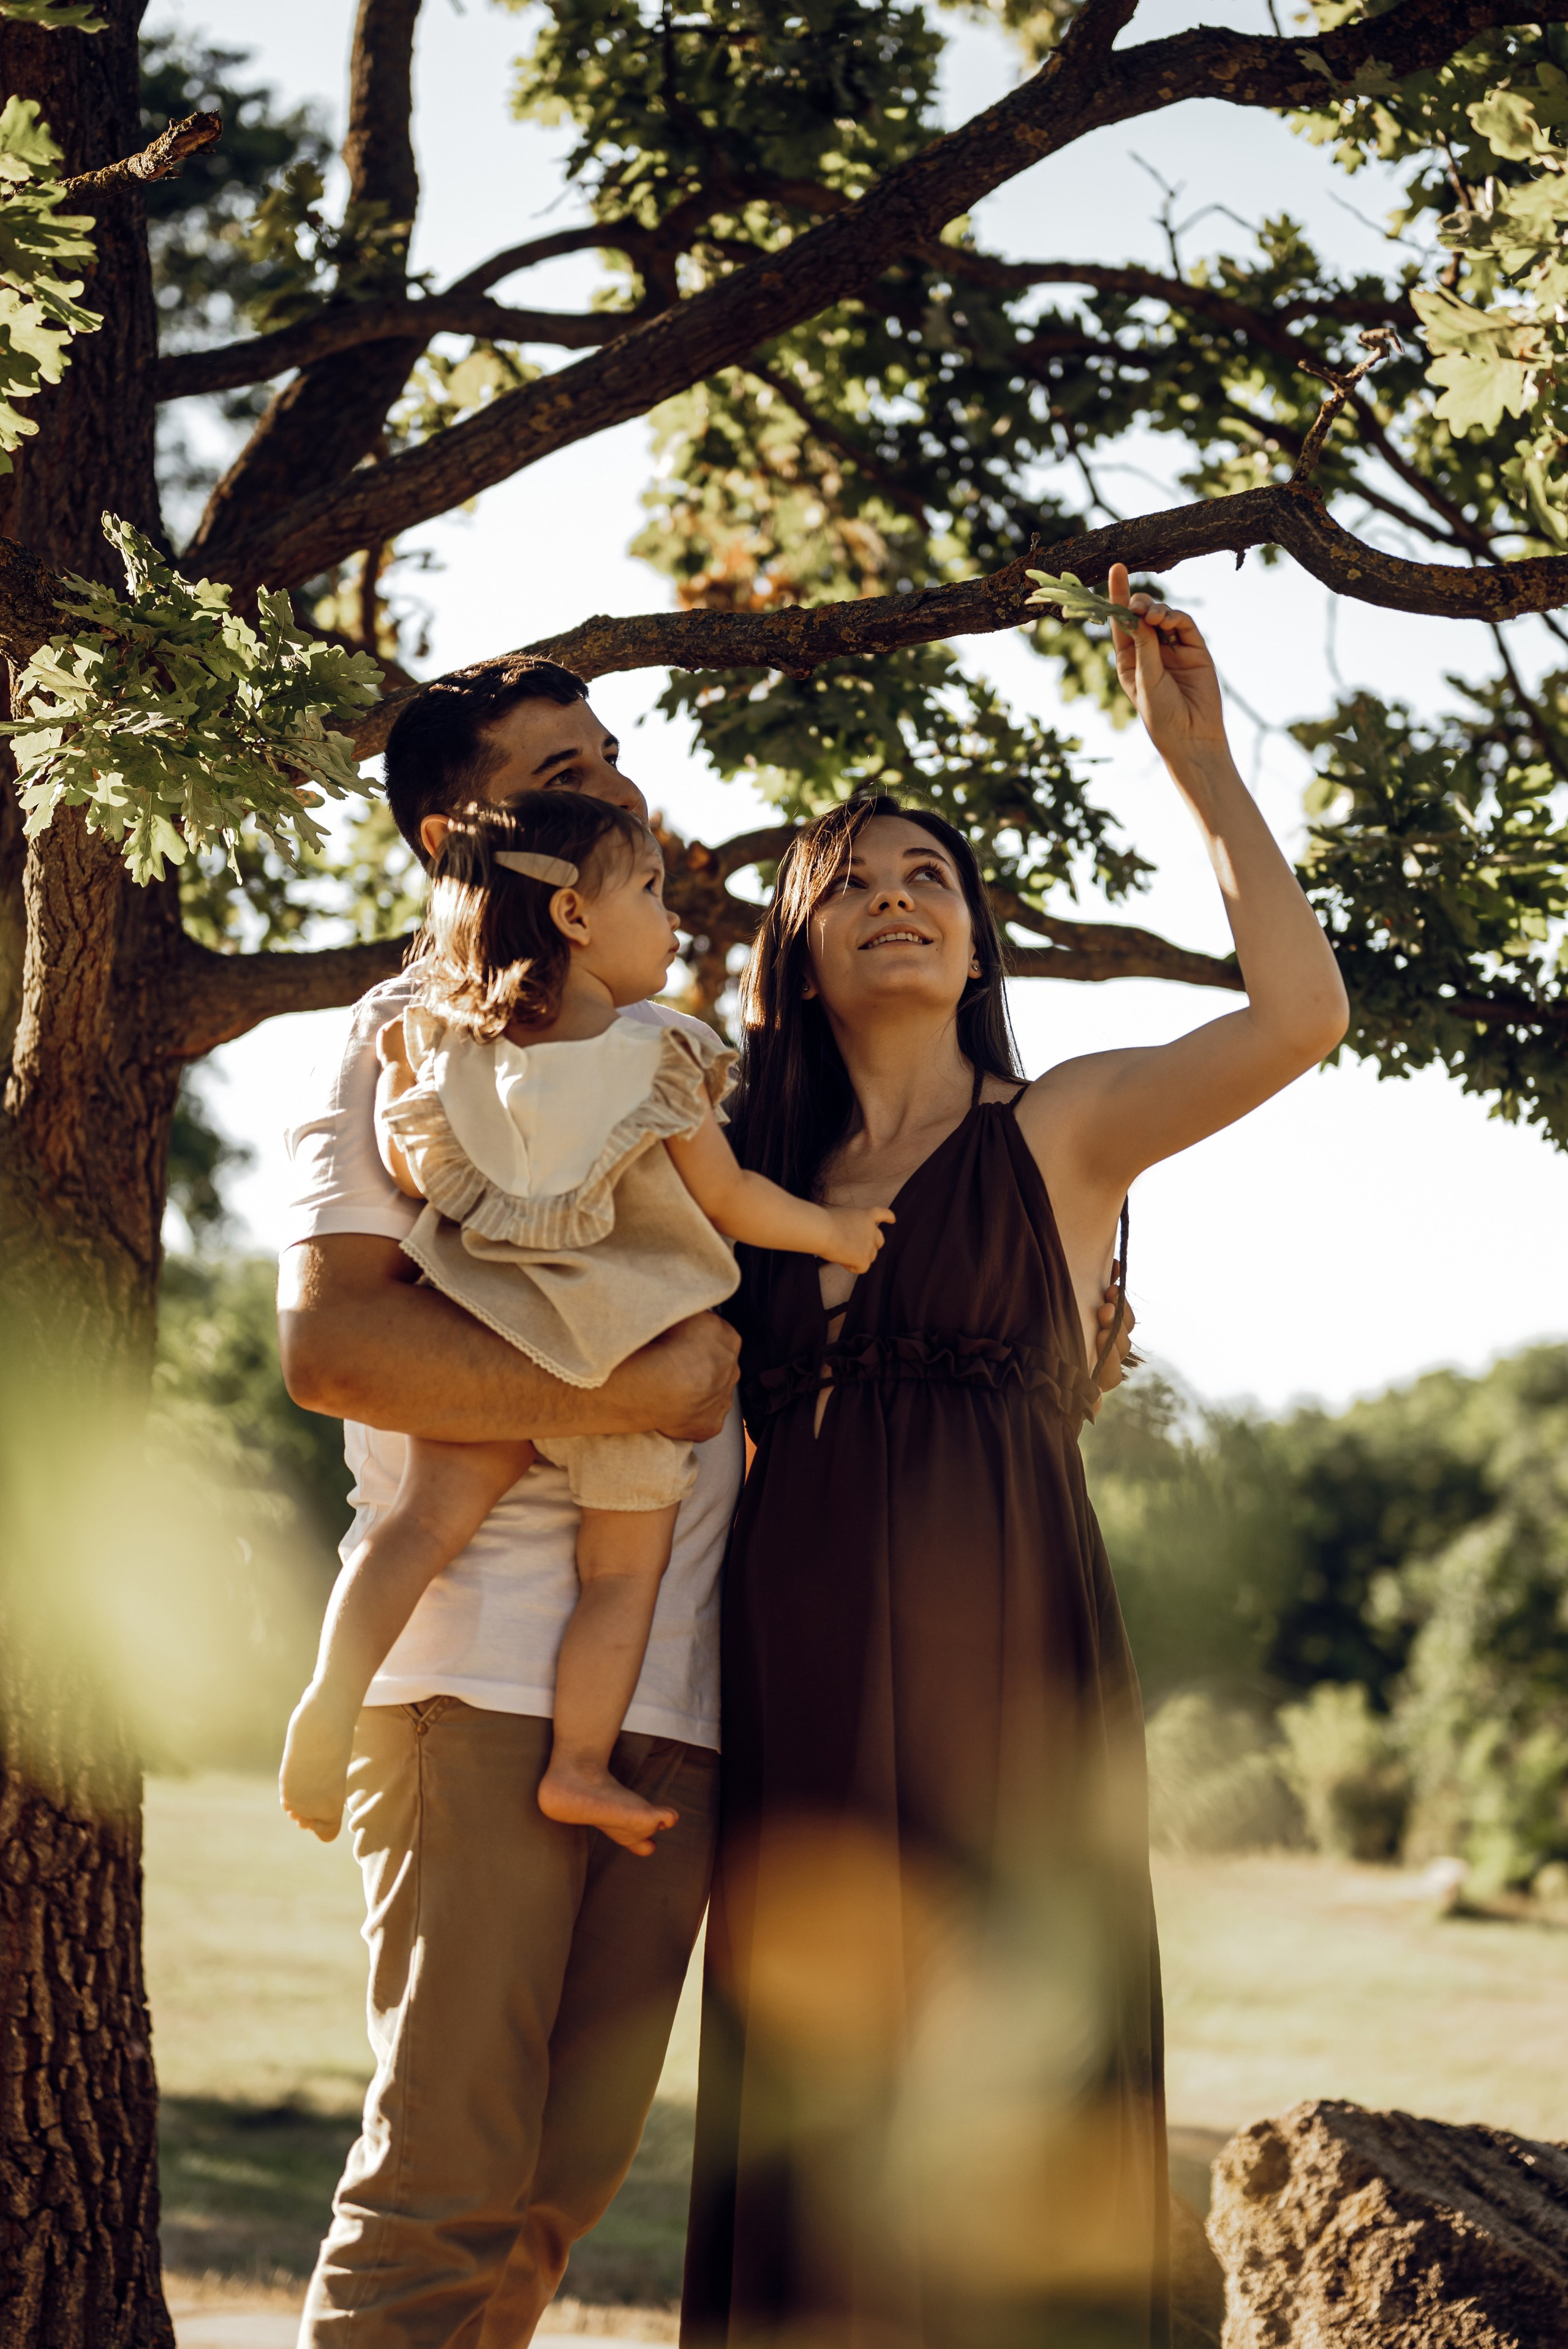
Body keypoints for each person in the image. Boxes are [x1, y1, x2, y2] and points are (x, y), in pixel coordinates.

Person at [279, 653, 1132, 2348]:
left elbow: (754, 1254)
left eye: (617, 762)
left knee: (549, 2200)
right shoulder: (406, 1040)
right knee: (441, 2185)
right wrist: (639, 1389)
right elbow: (332, 1345)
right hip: (484, 1683)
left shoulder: (674, 1055)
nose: (625, 793)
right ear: (474, 836)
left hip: (678, 1695)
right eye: (569, 779)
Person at [681, 569, 1349, 2349]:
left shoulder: (1061, 1131)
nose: (899, 901)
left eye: (933, 881)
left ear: (976, 944)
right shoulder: (740, 1179)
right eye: (855, 883)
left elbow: (1299, 1018)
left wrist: (1202, 776)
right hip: (801, 1667)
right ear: (798, 952)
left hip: (1011, 1661)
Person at [279, 786, 892, 1856]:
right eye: (652, 890)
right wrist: (838, 1235)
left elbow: (413, 1160)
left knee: (417, 1527)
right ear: (573, 916)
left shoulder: (436, 1045)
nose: (673, 914)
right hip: (637, 1342)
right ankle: (578, 1764)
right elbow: (734, 1202)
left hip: (493, 1335)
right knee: (624, 1576)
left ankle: (331, 1696)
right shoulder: (665, 1059)